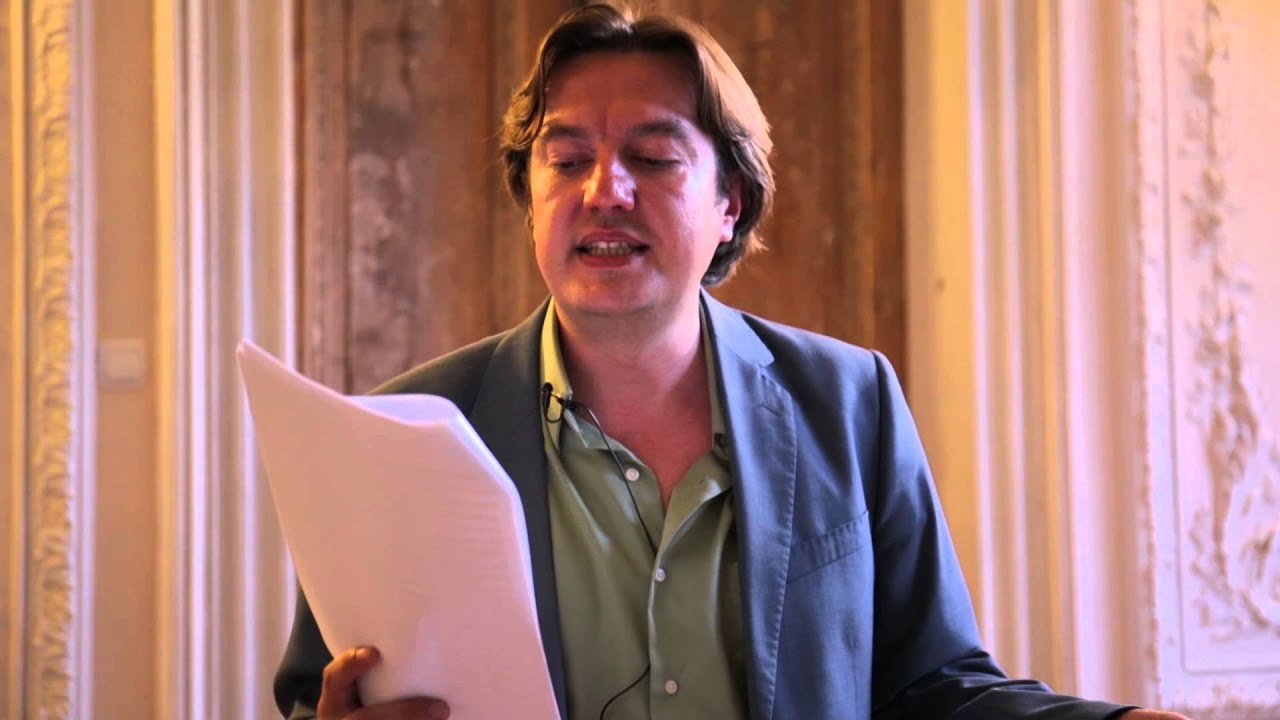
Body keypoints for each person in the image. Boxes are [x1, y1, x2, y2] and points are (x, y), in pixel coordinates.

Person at [274, 5, 1191, 719]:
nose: (604, 190)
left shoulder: (849, 401)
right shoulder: (399, 431)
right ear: (531, 199)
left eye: (652, 157)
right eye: (567, 159)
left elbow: (933, 687)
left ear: (731, 204)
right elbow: (317, 693)